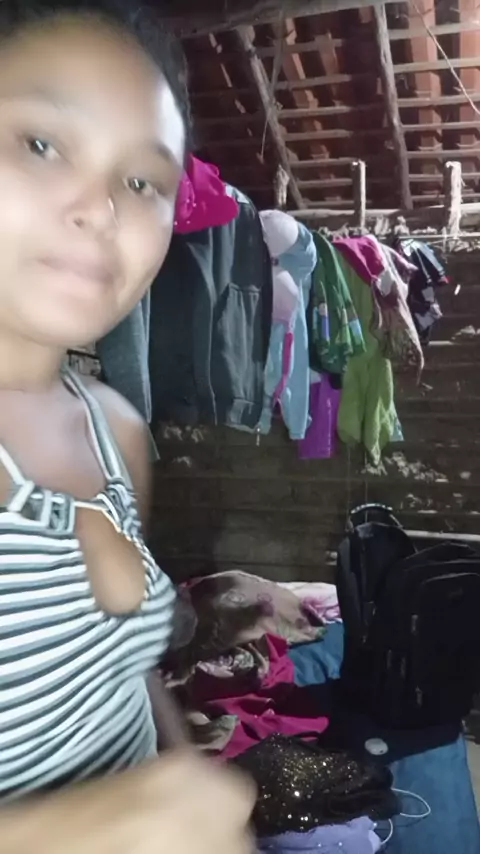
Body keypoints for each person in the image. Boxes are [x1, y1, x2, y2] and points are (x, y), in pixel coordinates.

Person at [0, 0, 254, 851]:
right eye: (41, 144)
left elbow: (127, 668)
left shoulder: (115, 427)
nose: (103, 208)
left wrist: (178, 771)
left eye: (142, 181)